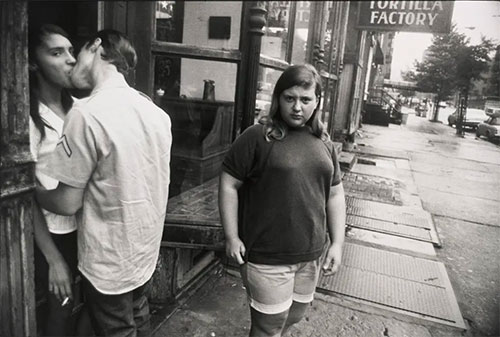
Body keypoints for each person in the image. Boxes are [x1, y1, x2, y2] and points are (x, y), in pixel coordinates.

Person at [36, 29, 172, 337]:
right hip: (142, 255)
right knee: (137, 318)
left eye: (77, 52)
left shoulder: (86, 113)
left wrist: (34, 192)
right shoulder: (156, 113)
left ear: (96, 46)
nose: (72, 63)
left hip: (108, 263)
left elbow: (68, 202)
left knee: (119, 330)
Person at [219, 64, 346, 337]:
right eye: (289, 98)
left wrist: (337, 243)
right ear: (278, 99)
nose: (297, 107)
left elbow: (335, 193)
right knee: (268, 326)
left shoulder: (323, 142)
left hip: (310, 253)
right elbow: (229, 183)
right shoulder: (258, 136)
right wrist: (231, 236)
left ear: (317, 102)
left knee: (294, 315)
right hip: (267, 255)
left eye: (305, 99)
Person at [29, 23, 81, 336]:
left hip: (83, 228)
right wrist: (54, 259)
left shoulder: (78, 109)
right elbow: (24, 195)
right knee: (58, 316)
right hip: (49, 235)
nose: (70, 59)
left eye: (71, 51)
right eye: (56, 52)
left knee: (84, 310)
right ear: (34, 63)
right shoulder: (30, 116)